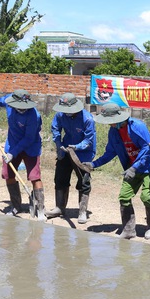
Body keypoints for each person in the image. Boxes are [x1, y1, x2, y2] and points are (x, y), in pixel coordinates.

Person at [83, 103, 150, 239]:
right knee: (124, 197)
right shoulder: (113, 132)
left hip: (148, 167)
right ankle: (129, 230)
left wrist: (135, 167)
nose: (109, 125)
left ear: (118, 118)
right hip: (131, 168)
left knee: (146, 197)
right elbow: (110, 153)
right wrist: (94, 164)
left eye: (110, 122)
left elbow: (147, 149)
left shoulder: (137, 126)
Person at [0, 88, 46, 221]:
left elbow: (29, 138)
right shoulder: (9, 100)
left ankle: (40, 208)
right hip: (12, 144)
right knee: (8, 174)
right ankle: (16, 205)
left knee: (34, 176)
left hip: (31, 146)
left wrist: (13, 153)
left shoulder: (34, 116)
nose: (22, 109)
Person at [46, 93, 96, 224]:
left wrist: (77, 147)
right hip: (66, 149)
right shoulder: (60, 115)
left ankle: (82, 211)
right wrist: (58, 144)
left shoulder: (87, 119)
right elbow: (55, 129)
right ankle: (59, 207)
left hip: (84, 152)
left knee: (83, 181)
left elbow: (88, 140)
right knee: (60, 177)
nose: (66, 113)